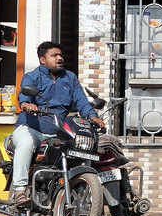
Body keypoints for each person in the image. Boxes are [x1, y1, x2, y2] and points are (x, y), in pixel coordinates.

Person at [9, 41, 98, 206]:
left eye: (60, 55)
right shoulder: (32, 76)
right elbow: (24, 95)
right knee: (26, 144)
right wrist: (27, 104)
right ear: (43, 60)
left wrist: (92, 116)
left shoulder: (70, 78)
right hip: (32, 128)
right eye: (54, 55)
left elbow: (82, 102)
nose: (59, 58)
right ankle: (19, 191)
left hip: (58, 131)